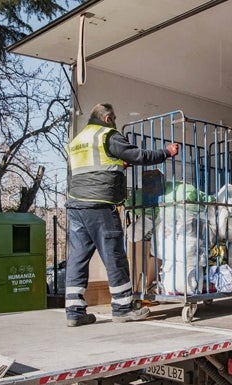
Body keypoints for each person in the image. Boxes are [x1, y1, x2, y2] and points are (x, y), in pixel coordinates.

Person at [65, 103, 179, 327]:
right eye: (114, 118)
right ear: (107, 118)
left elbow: (89, 170)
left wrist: (119, 165)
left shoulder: (77, 141)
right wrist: (166, 152)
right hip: (100, 205)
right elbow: (139, 155)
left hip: (76, 206)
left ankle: (74, 311)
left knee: (78, 259)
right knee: (114, 255)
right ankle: (123, 307)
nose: (115, 122)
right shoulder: (107, 135)